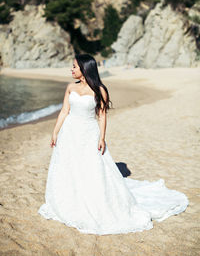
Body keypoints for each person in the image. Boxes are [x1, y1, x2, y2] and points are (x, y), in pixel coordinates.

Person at [38, 54, 189, 235]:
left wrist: (102, 138)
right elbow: (64, 110)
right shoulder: (70, 87)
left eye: (74, 67)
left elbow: (102, 115)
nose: (71, 70)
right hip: (69, 132)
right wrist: (55, 132)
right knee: (69, 166)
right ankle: (69, 198)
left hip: (88, 133)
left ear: (85, 70)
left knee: (91, 168)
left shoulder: (100, 90)